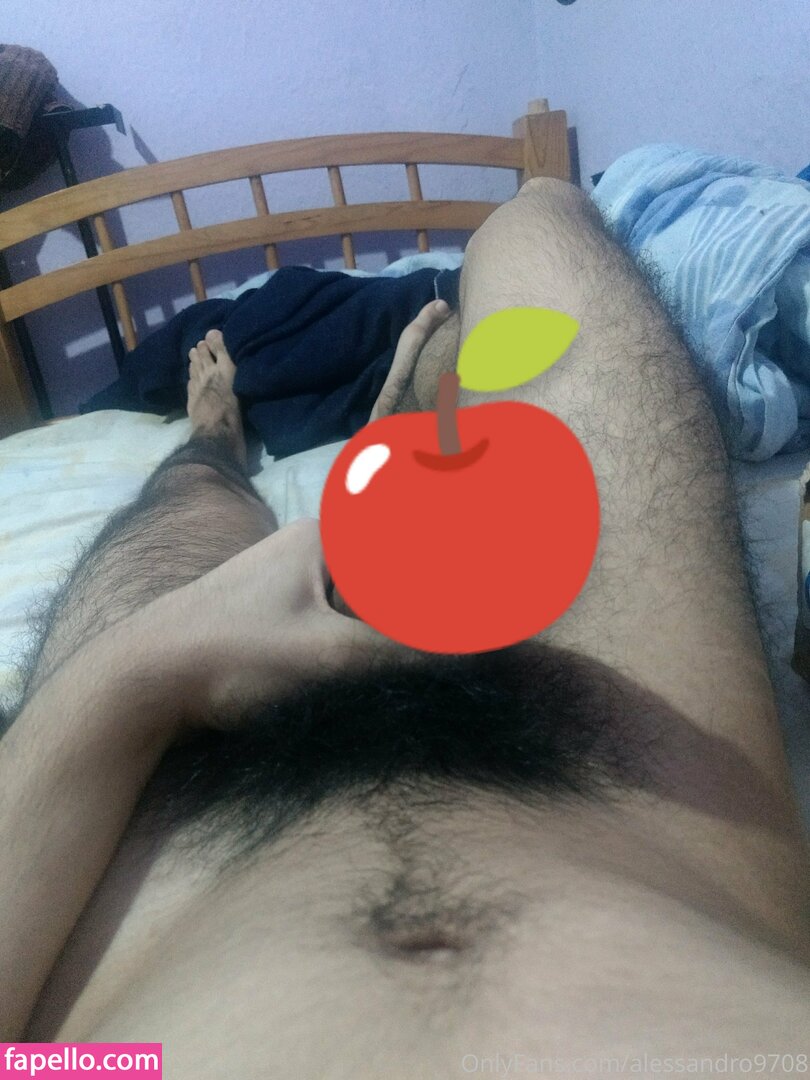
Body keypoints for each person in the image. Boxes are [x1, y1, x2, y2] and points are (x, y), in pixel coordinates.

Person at [1, 178, 808, 1076]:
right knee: (540, 217)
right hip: (647, 796)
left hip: (157, 842)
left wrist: (146, 666)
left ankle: (305, 426)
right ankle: (241, 433)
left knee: (192, 504)